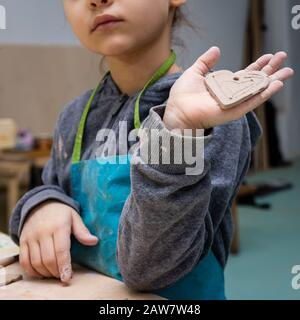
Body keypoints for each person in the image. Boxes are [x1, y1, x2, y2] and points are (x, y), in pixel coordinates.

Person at [9, 0, 293, 300]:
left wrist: (179, 131)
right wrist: (42, 205)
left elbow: (150, 270)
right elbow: (53, 188)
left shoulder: (215, 113)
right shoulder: (74, 116)